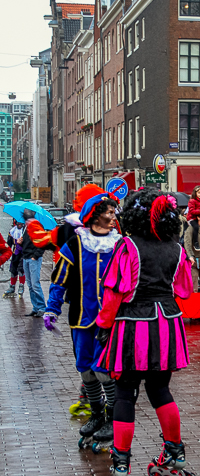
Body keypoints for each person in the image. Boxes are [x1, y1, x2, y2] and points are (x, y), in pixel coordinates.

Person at [95, 190, 200, 476]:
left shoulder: (127, 247)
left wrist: (103, 327)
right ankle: (175, 451)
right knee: (160, 390)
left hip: (132, 325)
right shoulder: (176, 248)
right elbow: (185, 290)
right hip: (167, 323)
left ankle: (122, 460)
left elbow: (114, 291)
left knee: (126, 392)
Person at [43, 190, 121, 450]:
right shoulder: (76, 243)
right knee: (85, 369)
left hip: (110, 320)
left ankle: (111, 418)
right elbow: (59, 279)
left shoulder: (121, 244)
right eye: (109, 212)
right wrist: (51, 309)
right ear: (95, 215)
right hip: (81, 318)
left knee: (104, 370)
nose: (113, 217)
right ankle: (97, 415)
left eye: (113, 212)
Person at [21, 209, 47, 317]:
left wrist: (35, 256)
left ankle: (41, 307)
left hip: (33, 259)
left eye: (28, 211)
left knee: (35, 284)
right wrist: (20, 242)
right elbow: (27, 243)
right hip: (25, 257)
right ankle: (35, 307)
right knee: (30, 285)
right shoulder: (25, 226)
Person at [4, 221, 25, 298]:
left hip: (24, 253)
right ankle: (12, 287)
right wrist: (5, 254)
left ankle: (21, 286)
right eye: (18, 223)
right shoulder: (12, 231)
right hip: (15, 252)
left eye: (21, 223)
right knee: (13, 270)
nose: (19, 225)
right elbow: (9, 244)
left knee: (20, 269)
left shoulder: (25, 231)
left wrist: (23, 241)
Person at [186, 186, 200, 253]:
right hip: (192, 218)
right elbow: (191, 211)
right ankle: (196, 242)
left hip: (199, 218)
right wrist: (199, 211)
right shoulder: (192, 201)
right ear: (195, 193)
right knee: (196, 227)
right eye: (199, 193)